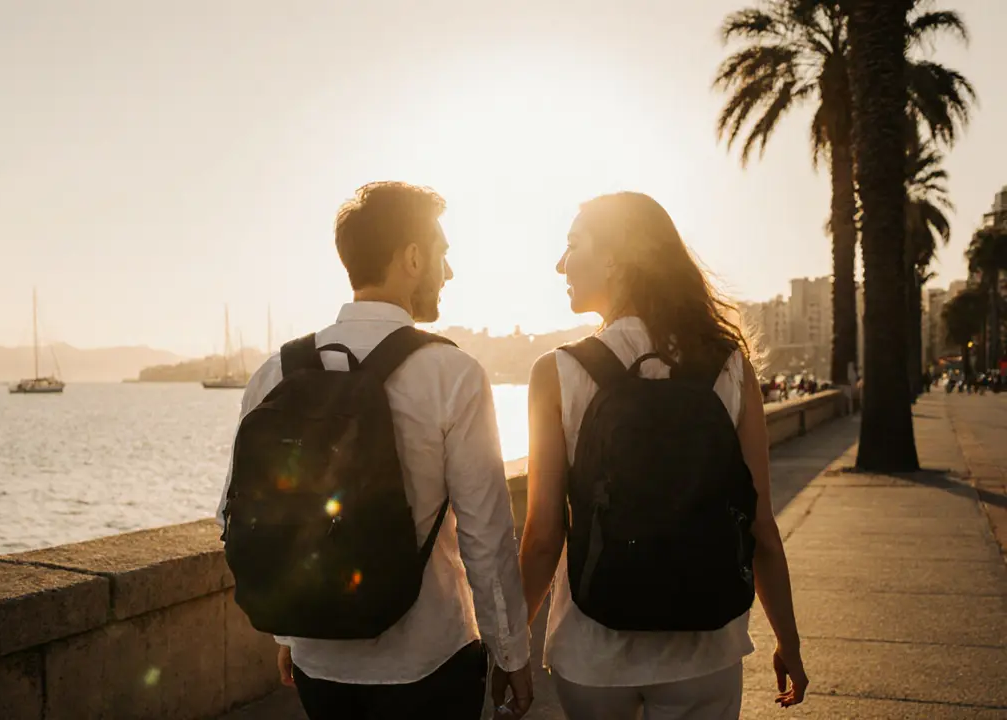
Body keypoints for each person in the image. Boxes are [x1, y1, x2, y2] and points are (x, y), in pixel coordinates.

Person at [216, 182, 533, 720]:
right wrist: (512, 654)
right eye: (442, 254)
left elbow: (238, 513)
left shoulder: (275, 373)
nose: (448, 272)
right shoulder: (452, 374)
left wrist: (291, 633)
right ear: (412, 257)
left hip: (321, 665)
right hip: (430, 660)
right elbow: (486, 534)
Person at [513, 192, 808, 719]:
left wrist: (508, 647)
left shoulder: (556, 373)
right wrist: (788, 640)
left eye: (572, 245)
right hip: (706, 647)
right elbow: (760, 524)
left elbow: (541, 538)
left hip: (594, 650)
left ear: (613, 257)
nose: (560, 263)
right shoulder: (729, 364)